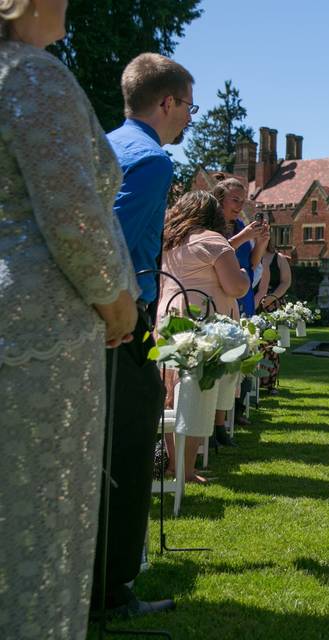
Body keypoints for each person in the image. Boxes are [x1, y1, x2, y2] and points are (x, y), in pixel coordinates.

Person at [0, 3, 138, 634]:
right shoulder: (33, 76)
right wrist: (118, 300)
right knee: (41, 526)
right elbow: (74, 220)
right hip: (42, 335)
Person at [93, 51, 194, 618]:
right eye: (188, 108)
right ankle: (114, 589)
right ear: (168, 102)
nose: (187, 120)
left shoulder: (106, 141)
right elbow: (109, 237)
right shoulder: (153, 160)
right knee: (128, 451)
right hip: (117, 324)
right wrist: (122, 308)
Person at [156, 191, 249, 482]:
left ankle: (175, 464)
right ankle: (185, 469)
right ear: (214, 216)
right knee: (196, 395)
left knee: (171, 396)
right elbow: (235, 287)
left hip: (167, 321)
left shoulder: (169, 241)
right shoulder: (212, 240)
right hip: (200, 325)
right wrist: (245, 275)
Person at [212, 176, 268, 317]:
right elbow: (214, 254)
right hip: (219, 295)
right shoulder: (209, 227)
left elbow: (252, 264)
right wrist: (243, 237)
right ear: (220, 200)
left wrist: (261, 243)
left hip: (244, 295)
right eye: (235, 200)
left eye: (242, 202)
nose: (240, 206)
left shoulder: (240, 226)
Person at [255, 239, 292, 395]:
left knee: (270, 345)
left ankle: (270, 382)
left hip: (272, 304)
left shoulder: (279, 259)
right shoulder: (251, 255)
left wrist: (271, 297)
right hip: (254, 301)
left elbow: (286, 282)